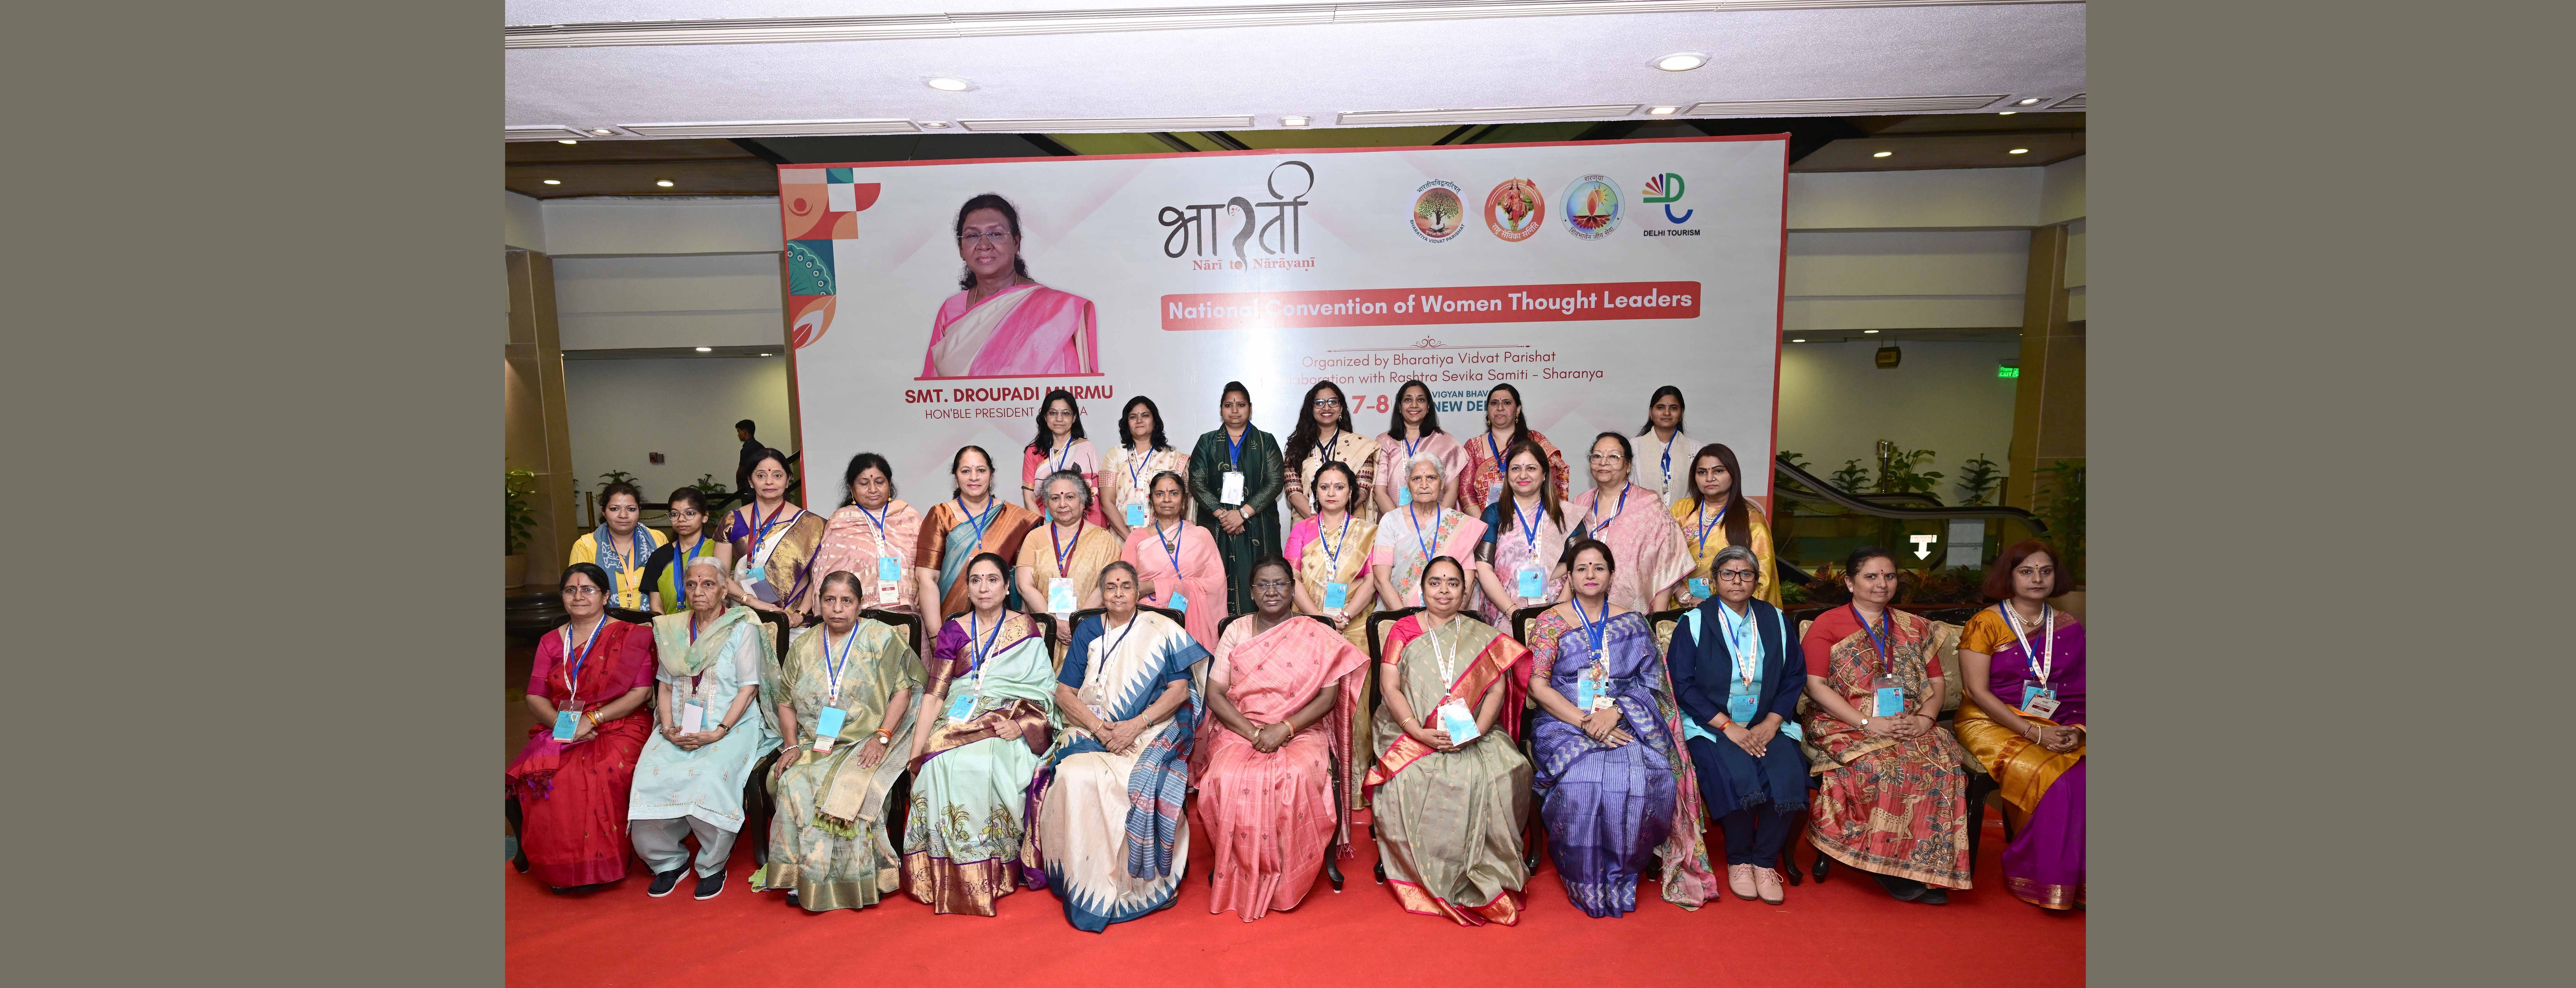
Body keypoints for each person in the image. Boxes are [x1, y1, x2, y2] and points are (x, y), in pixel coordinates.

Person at [1523, 539, 1718, 916]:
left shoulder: (1632, 621)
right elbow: (1538, 686)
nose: (1591, 575)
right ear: (1572, 577)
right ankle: (1586, 876)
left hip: (1625, 720)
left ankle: (1624, 870)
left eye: (1599, 567)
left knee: (1650, 772)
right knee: (1586, 776)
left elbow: (1653, 685)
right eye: (1582, 568)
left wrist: (1616, 713)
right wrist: (1586, 721)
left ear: (1612, 575)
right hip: (1563, 723)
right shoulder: (1550, 621)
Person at [1034, 562, 1210, 931]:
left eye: (1126, 586)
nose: (1118, 593)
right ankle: (1085, 878)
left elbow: (1180, 692)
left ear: (1138, 592)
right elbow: (1064, 693)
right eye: (1111, 587)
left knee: (1142, 777)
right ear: (1102, 592)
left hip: (1148, 730)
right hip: (1092, 730)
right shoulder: (1086, 630)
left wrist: (1134, 726)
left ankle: (1139, 882)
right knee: (1071, 775)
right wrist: (1101, 729)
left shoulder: (1161, 629)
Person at [1196, 557, 1368, 921]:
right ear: (1252, 591)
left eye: (1280, 584)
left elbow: (1327, 697)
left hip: (1300, 728)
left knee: (1292, 776)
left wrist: (1284, 729)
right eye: (1263, 584)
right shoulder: (1237, 631)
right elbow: (1216, 694)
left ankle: (1289, 874)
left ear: (1293, 588)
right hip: (1242, 726)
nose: (1272, 591)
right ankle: (1238, 865)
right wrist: (1254, 732)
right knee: (1224, 776)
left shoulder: (1316, 633)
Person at [1363, 556, 1532, 926]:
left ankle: (1487, 871)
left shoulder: (1479, 632)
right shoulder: (1404, 629)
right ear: (1422, 588)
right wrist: (1417, 730)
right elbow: (1389, 686)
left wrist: (1475, 731)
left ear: (1466, 591)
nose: (1444, 590)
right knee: (1411, 777)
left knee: (1506, 770)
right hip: (1410, 728)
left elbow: (1496, 691)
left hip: (1475, 730)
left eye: (1453, 583)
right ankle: (1428, 871)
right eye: (1436, 583)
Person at [1799, 547, 1972, 904]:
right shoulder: (1827, 625)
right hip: (1843, 721)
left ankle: (1927, 865)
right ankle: (1883, 864)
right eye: (1871, 576)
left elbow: (1937, 685)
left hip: (1908, 721)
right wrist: (1867, 722)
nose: (1882, 584)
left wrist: (1924, 720)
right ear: (1850, 582)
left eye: (1889, 576)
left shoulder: (1915, 626)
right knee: (1885, 767)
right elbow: (1814, 686)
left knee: (1942, 766)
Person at [901, 553, 1060, 916]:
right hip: (957, 717)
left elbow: (1046, 693)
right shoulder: (954, 630)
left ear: (1007, 588)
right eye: (975, 580)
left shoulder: (1026, 630)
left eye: (992, 580)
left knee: (985, 761)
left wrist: (1021, 724)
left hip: (1007, 717)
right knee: (938, 765)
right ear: (968, 588)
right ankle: (940, 871)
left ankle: (993, 868)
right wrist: (917, 754)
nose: (984, 587)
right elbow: (935, 694)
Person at [756, 571, 925, 912]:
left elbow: (903, 691)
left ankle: (851, 878)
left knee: (851, 786)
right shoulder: (804, 644)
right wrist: (790, 745)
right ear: (819, 603)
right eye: (830, 601)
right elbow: (786, 700)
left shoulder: (882, 638)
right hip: (814, 741)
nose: (837, 609)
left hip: (867, 739)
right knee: (794, 780)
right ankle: (800, 874)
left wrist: (882, 737)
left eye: (847, 601)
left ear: (860, 605)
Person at [631, 556, 784, 900]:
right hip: (678, 723)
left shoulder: (743, 625)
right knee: (647, 776)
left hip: (731, 723)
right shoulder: (671, 628)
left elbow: (749, 688)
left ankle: (712, 864)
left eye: (709, 584)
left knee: (708, 774)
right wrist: (667, 727)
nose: (699, 592)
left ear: (724, 588)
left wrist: (719, 732)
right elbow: (665, 686)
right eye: (692, 584)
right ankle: (667, 861)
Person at [1667, 546, 1806, 906]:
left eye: (1745, 574)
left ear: (1756, 581)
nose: (1737, 580)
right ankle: (1740, 859)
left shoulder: (1775, 619)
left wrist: (1774, 721)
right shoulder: (1694, 623)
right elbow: (1681, 685)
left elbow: (1794, 676)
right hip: (1711, 724)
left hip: (1766, 721)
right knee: (1732, 771)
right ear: (1714, 580)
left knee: (1788, 769)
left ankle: (1765, 861)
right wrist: (1727, 726)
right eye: (1728, 573)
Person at [1953, 540, 2085, 910]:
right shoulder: (1987, 623)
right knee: (2055, 775)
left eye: (2045, 571)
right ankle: (2041, 877)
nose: (2037, 578)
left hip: (2054, 717)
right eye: (2026, 571)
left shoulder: (2069, 626)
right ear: (2009, 576)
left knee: (2085, 769)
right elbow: (1977, 692)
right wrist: (2033, 732)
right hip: (1989, 720)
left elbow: (2081, 688)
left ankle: (2079, 880)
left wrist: (2077, 729)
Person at [508, 563, 656, 892]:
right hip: (564, 721)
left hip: (621, 721)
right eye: (571, 590)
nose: (579, 596)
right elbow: (535, 695)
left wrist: (594, 719)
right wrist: (564, 725)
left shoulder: (631, 635)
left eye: (588, 589)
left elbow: (641, 693)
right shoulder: (550, 641)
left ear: (605, 595)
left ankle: (601, 863)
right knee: (544, 773)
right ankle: (560, 865)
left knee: (599, 770)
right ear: (562, 597)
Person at [921, 193, 1100, 379]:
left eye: (995, 234)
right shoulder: (951, 310)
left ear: (1016, 242)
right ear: (961, 249)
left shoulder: (1057, 310)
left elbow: (1071, 391)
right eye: (973, 236)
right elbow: (932, 393)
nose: (984, 245)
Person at [1187, 382, 1284, 616]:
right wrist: (1223, 515)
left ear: (1250, 408)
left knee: (1259, 580)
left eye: (1241, 405)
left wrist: (1242, 515)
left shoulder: (1266, 441)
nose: (1235, 410)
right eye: (1229, 405)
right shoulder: (1207, 442)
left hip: (1256, 527)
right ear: (1221, 409)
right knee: (1216, 586)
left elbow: (1275, 482)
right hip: (1218, 527)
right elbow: (1196, 482)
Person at [1566, 432, 1688, 613]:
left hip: (1636, 612)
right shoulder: (1580, 503)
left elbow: (1666, 563)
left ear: (1629, 465)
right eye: (1597, 456)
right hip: (1584, 607)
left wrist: (1658, 618)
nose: (1603, 462)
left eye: (1614, 457)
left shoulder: (1649, 503)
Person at [915, 445, 1042, 615]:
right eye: (966, 471)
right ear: (956, 477)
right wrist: (936, 635)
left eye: (981, 471)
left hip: (1005, 622)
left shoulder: (1015, 518)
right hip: (951, 623)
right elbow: (927, 579)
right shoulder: (941, 516)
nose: (974, 477)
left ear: (991, 475)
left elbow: (1026, 579)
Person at [808, 453, 924, 617]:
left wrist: (925, 588)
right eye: (864, 483)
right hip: (858, 618)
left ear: (889, 484)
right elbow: (827, 576)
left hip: (909, 613)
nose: (873, 490)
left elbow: (928, 565)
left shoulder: (910, 517)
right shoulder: (841, 522)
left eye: (879, 482)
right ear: (851, 488)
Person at [1122, 471, 1226, 651]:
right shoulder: (1137, 538)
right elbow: (1126, 584)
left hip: (1193, 618)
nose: (1167, 500)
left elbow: (1216, 585)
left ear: (1184, 501)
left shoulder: (1201, 536)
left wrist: (1155, 586)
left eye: (1174, 494)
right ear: (1152, 501)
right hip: (1148, 620)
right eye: (1160, 494)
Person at [1372, 454, 1489, 611]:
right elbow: (1381, 579)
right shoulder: (1391, 521)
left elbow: (1467, 579)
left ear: (1442, 484)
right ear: (1408, 484)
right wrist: (1404, 620)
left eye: (1432, 478)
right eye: (1417, 479)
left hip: (1449, 615)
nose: (1424, 485)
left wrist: (1446, 621)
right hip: (1399, 614)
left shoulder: (1458, 523)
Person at [726, 448, 828, 629]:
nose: (769, 482)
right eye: (761, 476)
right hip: (744, 618)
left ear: (789, 480)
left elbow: (818, 579)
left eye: (778, 476)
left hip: (796, 623)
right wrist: (758, 605)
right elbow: (720, 577)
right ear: (751, 481)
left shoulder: (814, 524)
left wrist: (799, 615)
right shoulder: (733, 521)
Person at [1672, 443, 1782, 609]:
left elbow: (1763, 579)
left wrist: (1713, 605)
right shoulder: (1681, 510)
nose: (1710, 479)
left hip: (1731, 612)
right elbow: (1663, 561)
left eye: (1718, 471)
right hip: (1679, 604)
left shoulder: (1751, 519)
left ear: (1733, 474)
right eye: (1702, 472)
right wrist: (1684, 596)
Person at [1473, 439, 1571, 624]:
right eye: (1516, 468)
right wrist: (1514, 614)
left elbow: (1579, 565)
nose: (1523, 475)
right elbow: (1483, 567)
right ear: (1507, 475)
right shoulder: (1495, 513)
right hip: (1503, 613)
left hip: (1557, 613)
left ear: (1544, 474)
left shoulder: (1566, 514)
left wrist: (1558, 615)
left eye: (1531, 469)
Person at [1016, 470, 1122, 636]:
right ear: (1047, 504)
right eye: (1055, 498)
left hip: (1090, 629)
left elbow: (1106, 586)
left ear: (1083, 501)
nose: (1062, 504)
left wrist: (1077, 622)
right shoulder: (1034, 537)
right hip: (1043, 630)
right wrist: (1054, 623)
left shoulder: (1104, 540)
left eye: (1070, 497)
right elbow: (1024, 586)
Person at [1456, 382, 1570, 515]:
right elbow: (1466, 491)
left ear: (1518, 409)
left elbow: (1553, 481)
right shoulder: (1474, 446)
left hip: (1533, 522)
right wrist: (1486, 526)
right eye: (1494, 404)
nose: (1500, 408)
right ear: (1488, 410)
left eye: (1507, 403)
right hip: (1485, 525)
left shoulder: (1535, 441)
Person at [1282, 380, 1378, 524]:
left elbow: (1363, 490)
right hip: (1308, 526)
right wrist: (1319, 523)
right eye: (1319, 403)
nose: (1326, 408)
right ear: (1311, 409)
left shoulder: (1361, 446)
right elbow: (1293, 491)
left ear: (1341, 408)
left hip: (1350, 527)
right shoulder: (1297, 447)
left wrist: (1335, 520)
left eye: (1333, 402)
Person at [1099, 395, 1187, 541]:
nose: (1139, 421)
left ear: (1155, 422)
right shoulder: (1114, 455)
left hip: (1164, 540)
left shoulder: (1173, 458)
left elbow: (1183, 504)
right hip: (1122, 539)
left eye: (1145, 416)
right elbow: (1107, 503)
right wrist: (1131, 540)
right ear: (1127, 424)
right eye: (1133, 417)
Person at [568, 481, 668, 611]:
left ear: (639, 511)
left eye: (631, 509)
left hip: (653, 620)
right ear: (604, 511)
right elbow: (578, 594)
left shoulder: (657, 539)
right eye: (615, 509)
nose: (623, 515)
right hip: (604, 623)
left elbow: (670, 587)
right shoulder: (586, 545)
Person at [1371, 379, 1463, 516]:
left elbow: (1452, 491)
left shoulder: (1447, 442)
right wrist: (1401, 525)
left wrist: (1433, 524)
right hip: (1394, 526)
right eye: (1408, 400)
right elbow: (1379, 492)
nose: (1414, 405)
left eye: (1421, 400)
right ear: (1400, 407)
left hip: (1437, 525)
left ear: (1429, 407)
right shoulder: (1385, 441)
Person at [1020, 389, 1106, 527]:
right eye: (1053, 413)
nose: (1059, 419)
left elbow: (1095, 497)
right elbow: (1029, 498)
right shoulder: (1034, 452)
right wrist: (1043, 531)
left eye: (1066, 414)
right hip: (1046, 526)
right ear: (1045, 417)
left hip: (1084, 528)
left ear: (1074, 418)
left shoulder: (1087, 449)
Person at [642, 486, 731, 614]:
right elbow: (656, 605)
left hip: (714, 625)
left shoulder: (718, 550)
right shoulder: (659, 556)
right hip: (670, 629)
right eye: (674, 514)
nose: (681, 519)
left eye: (690, 513)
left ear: (705, 517)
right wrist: (667, 630)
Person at [1636, 387, 1697, 509]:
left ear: (1681, 413)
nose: (1667, 413)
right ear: (1651, 412)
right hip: (1643, 520)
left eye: (1673, 408)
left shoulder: (1696, 449)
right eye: (1661, 407)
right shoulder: (1634, 447)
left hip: (1684, 521)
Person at [735, 419, 764, 494]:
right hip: (761, 486)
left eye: (739, 432)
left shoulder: (746, 449)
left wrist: (739, 486)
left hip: (749, 488)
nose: (738, 435)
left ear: (745, 432)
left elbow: (741, 471)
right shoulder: (761, 447)